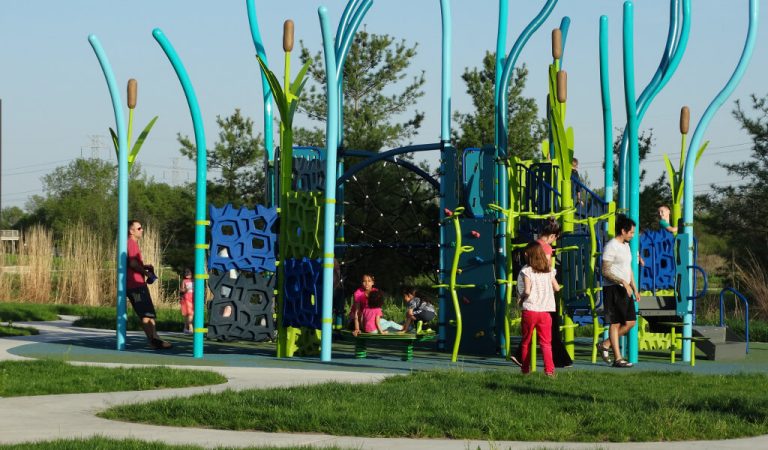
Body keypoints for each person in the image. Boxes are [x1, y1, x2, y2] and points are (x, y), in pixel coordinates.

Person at [510, 217, 572, 368]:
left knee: (529, 334)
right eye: (555, 238)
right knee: (550, 332)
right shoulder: (546, 248)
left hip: (532, 298)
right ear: (553, 236)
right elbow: (547, 268)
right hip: (544, 297)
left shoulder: (532, 245)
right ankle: (555, 362)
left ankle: (523, 359)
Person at [596, 214, 640, 368]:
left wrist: (634, 287)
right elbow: (605, 271)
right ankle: (618, 359)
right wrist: (622, 282)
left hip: (626, 289)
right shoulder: (611, 246)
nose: (633, 235)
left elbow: (628, 269)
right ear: (623, 231)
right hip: (613, 289)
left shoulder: (626, 246)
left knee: (631, 322)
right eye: (631, 232)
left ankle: (605, 344)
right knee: (614, 324)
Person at [126, 220, 171, 350]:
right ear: (131, 231)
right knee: (145, 314)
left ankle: (156, 339)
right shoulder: (131, 243)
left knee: (149, 314)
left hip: (137, 283)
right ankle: (153, 341)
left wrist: (144, 266)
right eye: (139, 228)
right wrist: (147, 273)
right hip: (134, 284)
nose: (142, 230)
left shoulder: (132, 243)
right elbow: (133, 264)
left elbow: (133, 263)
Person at [517, 241, 559, 377]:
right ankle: (549, 371)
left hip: (530, 309)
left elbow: (527, 291)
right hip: (545, 312)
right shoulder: (549, 270)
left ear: (528, 255)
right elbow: (557, 288)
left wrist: (521, 298)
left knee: (526, 341)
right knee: (546, 343)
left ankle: (525, 370)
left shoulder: (526, 271)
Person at [179, 268, 194, 334]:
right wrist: (185, 290)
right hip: (187, 297)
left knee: (189, 314)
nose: (187, 274)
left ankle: (185, 328)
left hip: (194, 297)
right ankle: (191, 327)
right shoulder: (184, 281)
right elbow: (181, 290)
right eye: (186, 273)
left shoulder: (195, 280)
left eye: (189, 272)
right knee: (190, 313)